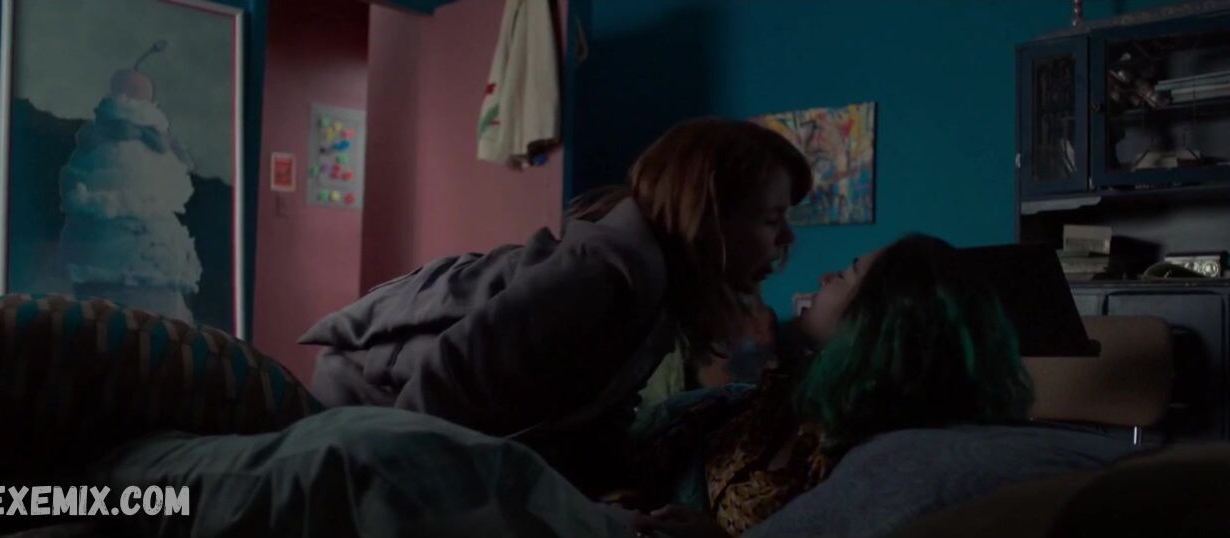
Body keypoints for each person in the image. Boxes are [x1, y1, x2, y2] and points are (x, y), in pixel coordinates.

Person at [302, 118, 812, 495]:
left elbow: (598, 420)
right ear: (711, 216)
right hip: (369, 401)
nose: (786, 238)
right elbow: (444, 387)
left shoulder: (661, 296)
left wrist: (606, 503)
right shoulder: (600, 280)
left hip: (423, 420)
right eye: (771, 220)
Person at [624, 234, 1036, 537]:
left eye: (843, 274)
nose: (823, 277)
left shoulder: (876, 460)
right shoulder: (783, 393)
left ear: (873, 323)